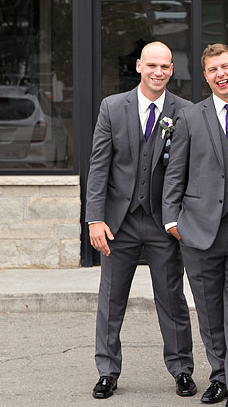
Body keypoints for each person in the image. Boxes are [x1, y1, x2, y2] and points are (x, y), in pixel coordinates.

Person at [85, 41, 196, 400]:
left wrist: (183, 218)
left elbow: (193, 169)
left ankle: (181, 370)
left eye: (164, 66)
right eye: (151, 65)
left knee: (172, 299)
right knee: (111, 300)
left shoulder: (185, 112)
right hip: (120, 223)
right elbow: (99, 167)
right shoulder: (113, 107)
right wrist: (94, 219)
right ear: (138, 66)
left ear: (171, 70)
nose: (158, 72)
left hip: (164, 222)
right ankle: (107, 371)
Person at [162, 44, 228, 407]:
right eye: (212, 70)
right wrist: (173, 220)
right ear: (205, 76)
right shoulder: (190, 117)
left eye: (225, 67)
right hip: (198, 229)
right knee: (207, 309)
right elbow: (175, 171)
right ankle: (218, 376)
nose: (220, 74)